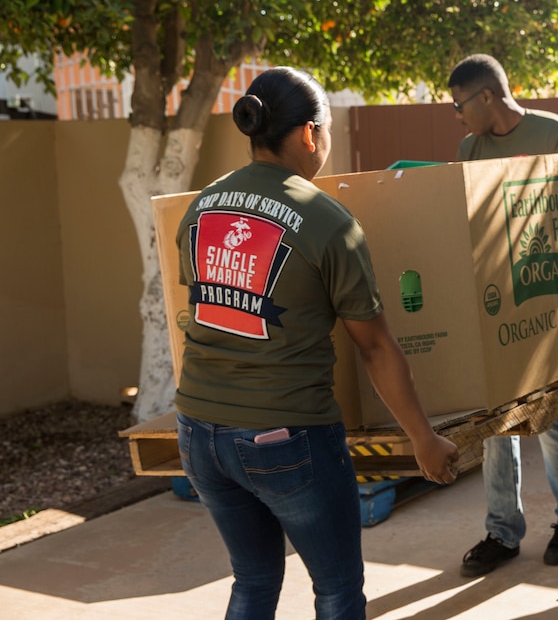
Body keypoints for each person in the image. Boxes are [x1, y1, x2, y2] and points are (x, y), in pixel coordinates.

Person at [173, 66, 459, 620]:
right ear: (309, 134)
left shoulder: (201, 205)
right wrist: (424, 439)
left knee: (253, 581)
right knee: (336, 589)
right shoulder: (328, 222)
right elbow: (374, 347)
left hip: (198, 433)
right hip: (285, 436)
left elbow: (203, 310)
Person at [448, 53, 558, 577]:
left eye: (460, 104)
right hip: (493, 302)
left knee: (553, 415)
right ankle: (502, 532)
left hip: (550, 298)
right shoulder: (471, 148)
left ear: (487, 95)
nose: (457, 117)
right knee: (495, 425)